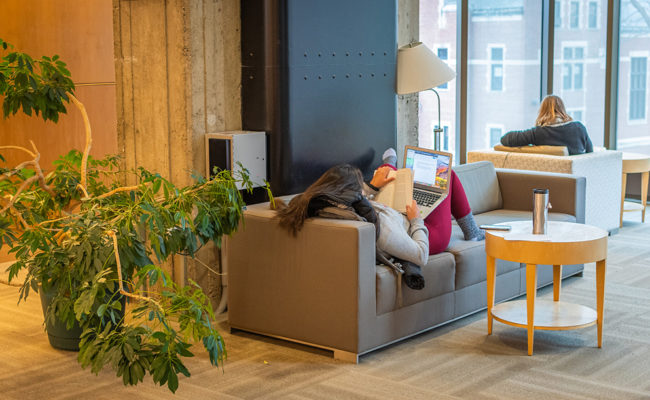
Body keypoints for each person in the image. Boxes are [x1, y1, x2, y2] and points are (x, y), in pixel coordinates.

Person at [274, 153, 484, 289]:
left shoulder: (325, 206)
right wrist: (416, 220)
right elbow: (420, 253)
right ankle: (472, 232)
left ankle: (389, 167)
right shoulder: (380, 232)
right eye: (359, 188)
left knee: (392, 176)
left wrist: (372, 187)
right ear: (350, 193)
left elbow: (353, 198)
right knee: (449, 175)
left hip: (393, 214)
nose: (361, 192)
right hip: (421, 232)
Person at [499, 95, 593, 155]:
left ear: (542, 111)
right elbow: (590, 153)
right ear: (562, 109)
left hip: (548, 179)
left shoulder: (538, 133)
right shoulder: (579, 128)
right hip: (577, 180)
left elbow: (505, 139)